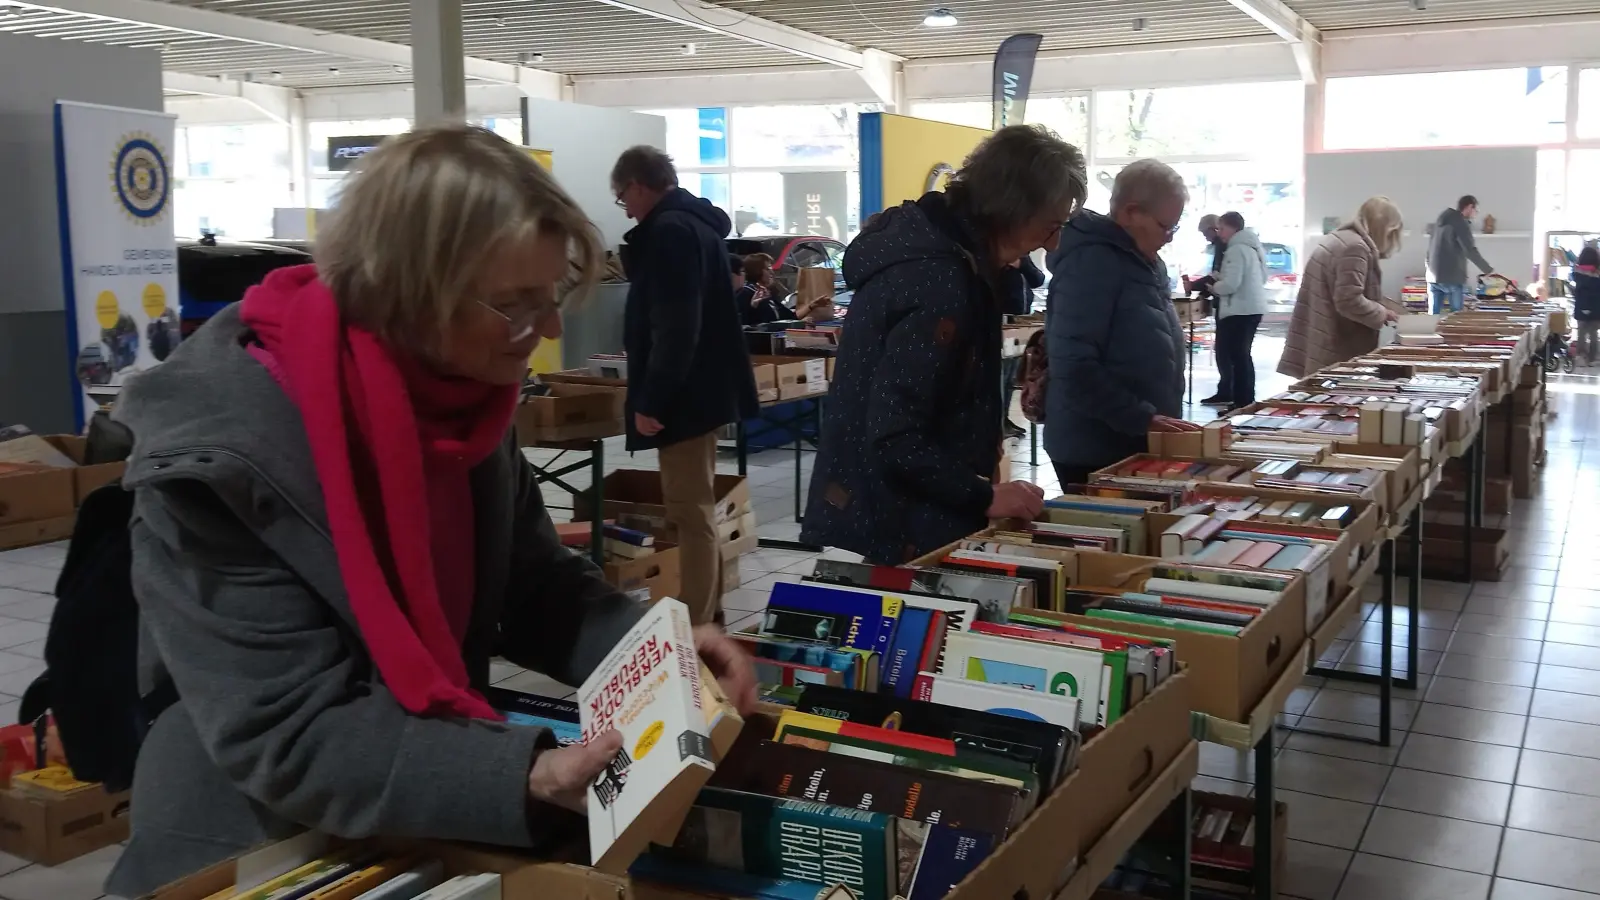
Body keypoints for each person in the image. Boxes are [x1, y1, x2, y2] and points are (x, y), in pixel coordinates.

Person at [103, 126, 757, 898]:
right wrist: (529, 773)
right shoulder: (215, 464)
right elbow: (286, 731)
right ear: (403, 292)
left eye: (550, 300)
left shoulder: (461, 400)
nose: (545, 333)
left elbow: (533, 582)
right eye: (514, 306)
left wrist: (657, 651)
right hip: (255, 844)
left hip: (415, 809)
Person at [801, 125, 1087, 564]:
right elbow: (895, 436)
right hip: (908, 521)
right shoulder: (939, 282)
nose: (1053, 241)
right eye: (1052, 226)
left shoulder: (954, 258)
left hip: (915, 509)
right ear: (1014, 210)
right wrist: (982, 495)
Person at [612, 145, 759, 627]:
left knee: (688, 510)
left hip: (685, 396)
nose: (626, 208)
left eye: (622, 197)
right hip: (705, 388)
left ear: (638, 184)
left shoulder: (671, 231)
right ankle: (707, 610)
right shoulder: (697, 225)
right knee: (695, 505)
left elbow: (676, 324)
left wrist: (653, 398)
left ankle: (698, 624)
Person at [1044, 159, 1200, 487]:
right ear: (1130, 212)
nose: (1169, 238)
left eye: (1175, 227)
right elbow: (1074, 367)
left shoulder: (1143, 262)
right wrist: (1142, 418)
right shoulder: (1091, 263)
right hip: (1094, 449)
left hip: (1136, 440)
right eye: (1165, 226)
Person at [1278, 196, 1404, 378]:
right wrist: (1381, 312)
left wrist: (1382, 305)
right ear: (1384, 228)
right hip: (1335, 344)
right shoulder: (1355, 248)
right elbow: (1348, 299)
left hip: (1321, 336)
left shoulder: (1340, 239)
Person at [1203, 211, 1269, 411]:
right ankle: (1245, 399)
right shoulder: (1253, 248)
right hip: (1252, 308)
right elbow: (1262, 277)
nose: (1220, 233)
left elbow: (1232, 284)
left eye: (1222, 228)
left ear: (1232, 228)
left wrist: (1216, 287)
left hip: (1239, 310)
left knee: (1238, 357)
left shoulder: (1236, 249)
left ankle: (1242, 401)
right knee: (1243, 355)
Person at [1001, 254, 1045, 438]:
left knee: (1014, 376)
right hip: (1000, 320)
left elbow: (1038, 279)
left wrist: (1021, 264)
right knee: (1001, 375)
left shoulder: (1022, 255)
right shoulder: (994, 255)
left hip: (1020, 320)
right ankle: (999, 421)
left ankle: (1005, 419)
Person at [1428, 194, 1495, 314]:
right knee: (1456, 318)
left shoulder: (1440, 220)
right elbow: (1469, 250)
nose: (1475, 214)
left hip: (1432, 276)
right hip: (1452, 277)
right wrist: (1487, 269)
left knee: (1433, 318)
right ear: (1469, 207)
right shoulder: (1460, 222)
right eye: (1476, 210)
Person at [737, 252, 792, 326]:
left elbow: (789, 316)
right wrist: (753, 306)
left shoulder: (768, 292)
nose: (772, 272)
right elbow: (744, 323)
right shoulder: (746, 293)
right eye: (768, 269)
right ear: (756, 271)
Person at [1573, 246, 1600, 366]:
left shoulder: (1577, 273)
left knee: (1581, 334)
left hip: (1581, 307)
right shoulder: (1597, 275)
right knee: (1594, 335)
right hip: (1595, 308)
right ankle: (1592, 358)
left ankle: (1580, 356)